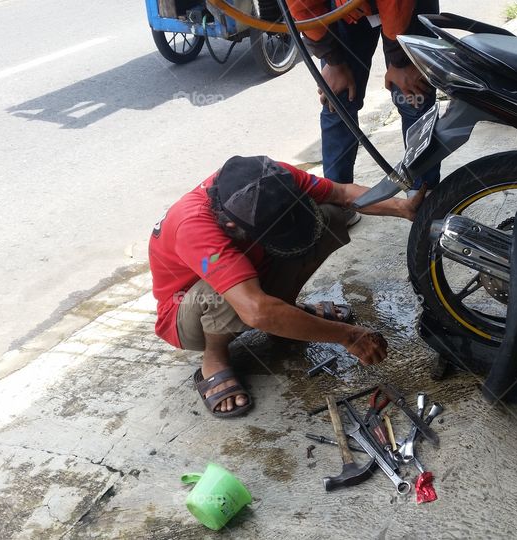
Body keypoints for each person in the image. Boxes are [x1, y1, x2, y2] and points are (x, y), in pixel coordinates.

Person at [149, 155, 423, 418]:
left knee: (328, 216)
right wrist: (349, 336)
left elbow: (342, 194)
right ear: (231, 224)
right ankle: (216, 356)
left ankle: (287, 315)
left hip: (247, 270)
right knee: (231, 297)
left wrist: (402, 207)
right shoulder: (194, 226)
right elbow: (256, 311)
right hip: (186, 314)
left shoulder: (271, 177)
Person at [287, 0, 440, 224]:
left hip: (409, 5)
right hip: (344, 9)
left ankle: (424, 196)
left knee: (413, 94)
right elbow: (303, 7)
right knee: (337, 99)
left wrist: (400, 60)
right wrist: (332, 58)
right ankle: (336, 201)